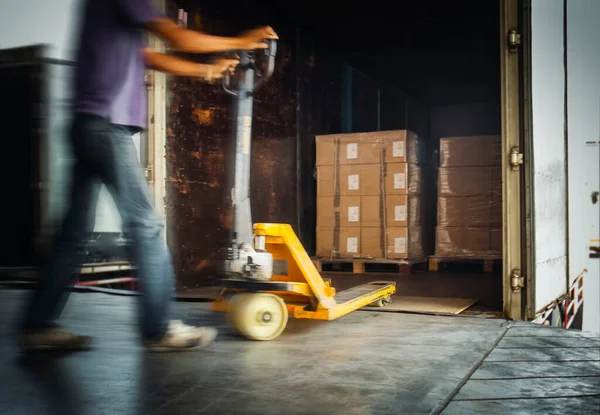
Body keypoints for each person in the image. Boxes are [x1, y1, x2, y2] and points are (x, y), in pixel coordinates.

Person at [19, 0, 278, 352]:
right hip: (107, 126)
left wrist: (202, 71)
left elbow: (144, 55)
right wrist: (243, 40)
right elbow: (175, 36)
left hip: (87, 124)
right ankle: (158, 329)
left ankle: (38, 326)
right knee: (146, 225)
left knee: (72, 235)